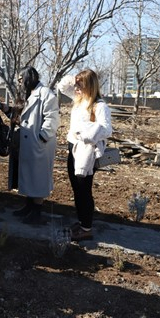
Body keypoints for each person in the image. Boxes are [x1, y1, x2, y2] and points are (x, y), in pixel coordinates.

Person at [0, 67, 60, 225]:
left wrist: (42, 137)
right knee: (29, 176)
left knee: (38, 178)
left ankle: (37, 212)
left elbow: (52, 118)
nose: (19, 82)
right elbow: (21, 116)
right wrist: (7, 110)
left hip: (38, 143)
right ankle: (28, 207)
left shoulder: (46, 93)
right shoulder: (28, 94)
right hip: (27, 142)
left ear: (29, 77)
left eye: (21, 79)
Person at [58, 69, 112, 241]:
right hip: (73, 147)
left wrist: (88, 132)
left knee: (84, 189)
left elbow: (107, 129)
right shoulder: (79, 99)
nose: (76, 88)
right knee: (76, 187)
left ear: (90, 85)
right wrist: (75, 79)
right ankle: (82, 222)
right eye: (77, 84)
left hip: (86, 150)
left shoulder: (99, 105)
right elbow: (62, 86)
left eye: (81, 85)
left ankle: (86, 228)